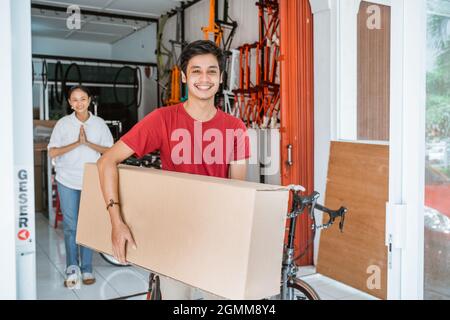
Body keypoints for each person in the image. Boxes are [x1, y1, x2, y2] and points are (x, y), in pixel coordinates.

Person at [97, 40, 251, 299]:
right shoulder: (162, 119)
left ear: (221, 77)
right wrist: (117, 222)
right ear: (184, 76)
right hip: (174, 239)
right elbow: (107, 161)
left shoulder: (236, 127)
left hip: (218, 241)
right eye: (196, 71)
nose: (204, 78)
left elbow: (238, 192)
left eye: (212, 71)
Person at [48, 85, 114, 288]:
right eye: (74, 99)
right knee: (71, 226)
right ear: (69, 102)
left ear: (89, 100)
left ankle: (86, 267)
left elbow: (110, 150)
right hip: (67, 180)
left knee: (88, 224)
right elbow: (53, 152)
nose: (79, 103)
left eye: (82, 98)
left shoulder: (99, 124)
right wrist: (77, 143)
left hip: (91, 180)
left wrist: (88, 143)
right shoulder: (63, 124)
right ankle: (72, 268)